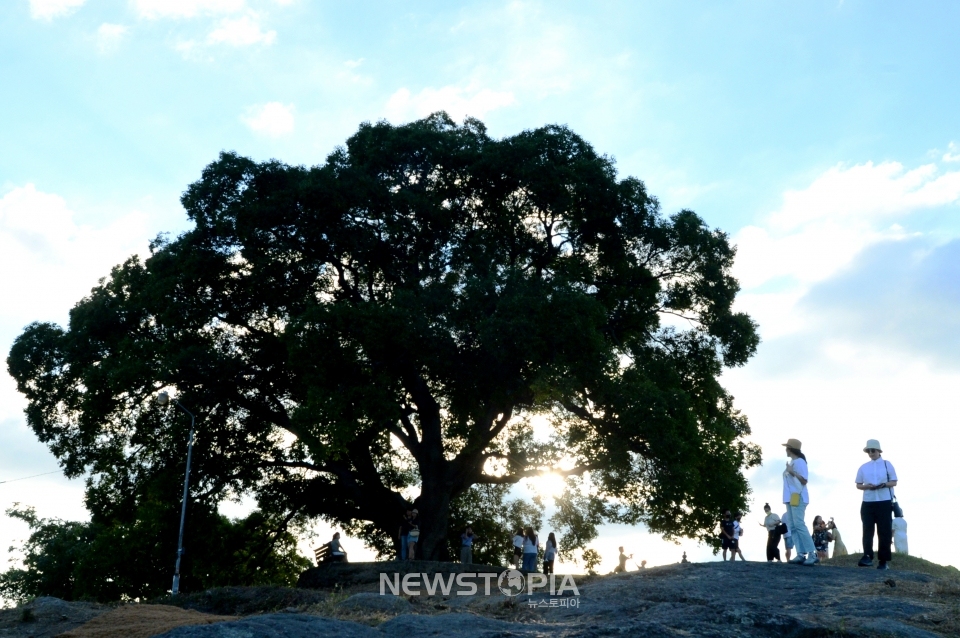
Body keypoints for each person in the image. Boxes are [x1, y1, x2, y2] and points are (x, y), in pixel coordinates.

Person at [855, 439, 898, 570]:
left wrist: (883, 485)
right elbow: (858, 485)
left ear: (879, 451)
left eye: (873, 450)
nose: (870, 453)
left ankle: (883, 560)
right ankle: (867, 556)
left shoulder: (887, 464)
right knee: (867, 530)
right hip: (868, 501)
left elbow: (894, 481)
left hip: (884, 501)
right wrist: (867, 486)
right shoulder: (863, 467)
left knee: (884, 531)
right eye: (868, 451)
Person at [782, 438, 818, 565]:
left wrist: (792, 472)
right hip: (790, 497)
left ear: (791, 449)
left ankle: (812, 553)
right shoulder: (793, 462)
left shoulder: (800, 462)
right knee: (793, 526)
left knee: (799, 524)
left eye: (787, 448)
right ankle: (801, 553)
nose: (785, 450)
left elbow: (804, 480)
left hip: (798, 496)